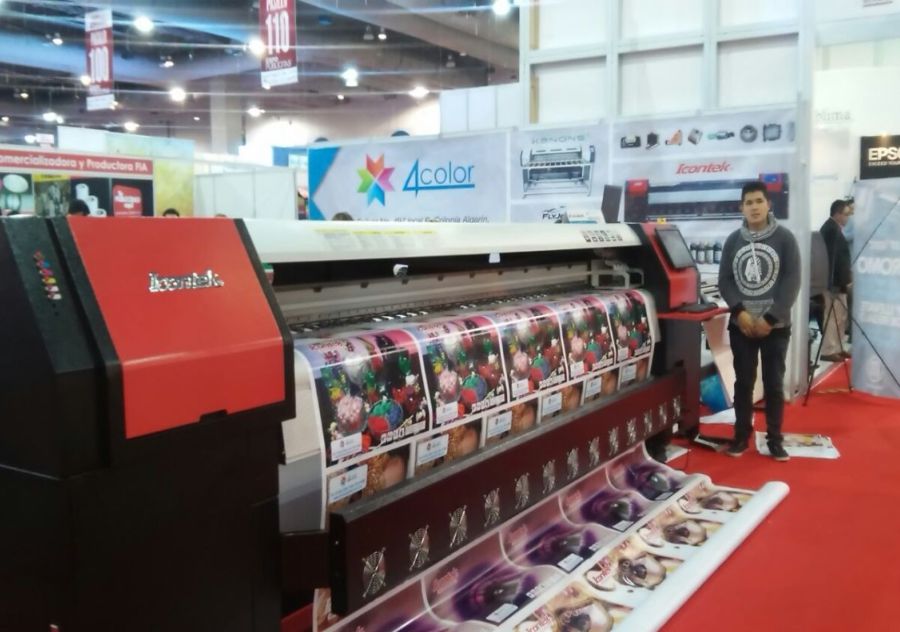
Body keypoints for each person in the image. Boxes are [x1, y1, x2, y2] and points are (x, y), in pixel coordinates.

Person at [718, 182, 801, 462]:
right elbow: (725, 280)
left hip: (775, 327)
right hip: (741, 325)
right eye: (749, 202)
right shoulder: (733, 240)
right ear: (741, 207)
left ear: (769, 205)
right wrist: (739, 312)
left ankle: (774, 439)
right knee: (743, 383)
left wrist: (770, 318)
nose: (754, 207)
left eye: (759, 201)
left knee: (774, 384)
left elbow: (792, 281)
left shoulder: (785, 238)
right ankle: (741, 436)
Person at [819, 199, 852, 362]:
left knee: (840, 316)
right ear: (838, 214)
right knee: (832, 316)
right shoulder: (830, 230)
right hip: (833, 283)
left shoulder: (835, 229)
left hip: (840, 282)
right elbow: (830, 259)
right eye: (846, 214)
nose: (848, 218)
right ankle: (828, 350)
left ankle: (838, 347)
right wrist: (831, 283)